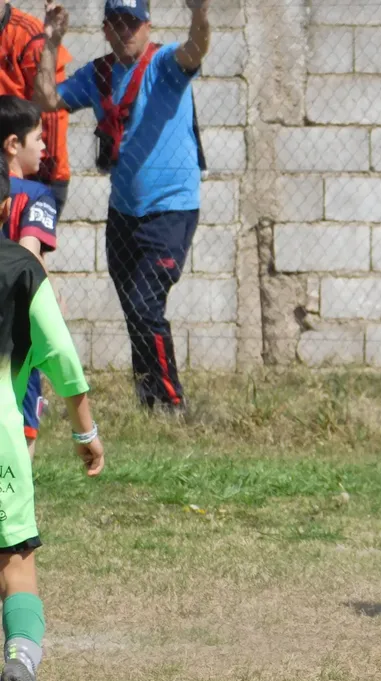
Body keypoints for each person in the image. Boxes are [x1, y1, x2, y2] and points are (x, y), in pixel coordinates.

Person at [33, 0, 211, 412]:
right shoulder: (98, 74)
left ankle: (170, 403)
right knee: (135, 309)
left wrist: (200, 12)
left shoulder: (166, 64)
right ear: (106, 29)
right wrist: (50, 41)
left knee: (147, 303)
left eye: (132, 22)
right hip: (123, 215)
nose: (125, 30)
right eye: (116, 22)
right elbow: (45, 99)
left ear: (147, 26)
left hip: (171, 211)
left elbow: (196, 48)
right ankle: (148, 400)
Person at [0, 166, 103, 681]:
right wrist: (84, 432)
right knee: (14, 565)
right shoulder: (22, 267)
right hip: (2, 443)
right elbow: (61, 357)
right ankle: (20, 662)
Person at [0, 96, 59, 460]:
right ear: (12, 144)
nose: (43, 145)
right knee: (21, 428)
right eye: (37, 137)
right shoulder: (36, 195)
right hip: (14, 326)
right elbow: (28, 253)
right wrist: (46, 298)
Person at [0, 0, 71, 216]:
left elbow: (51, 112)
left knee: (24, 248)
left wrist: (45, 178)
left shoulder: (27, 34)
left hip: (33, 174)